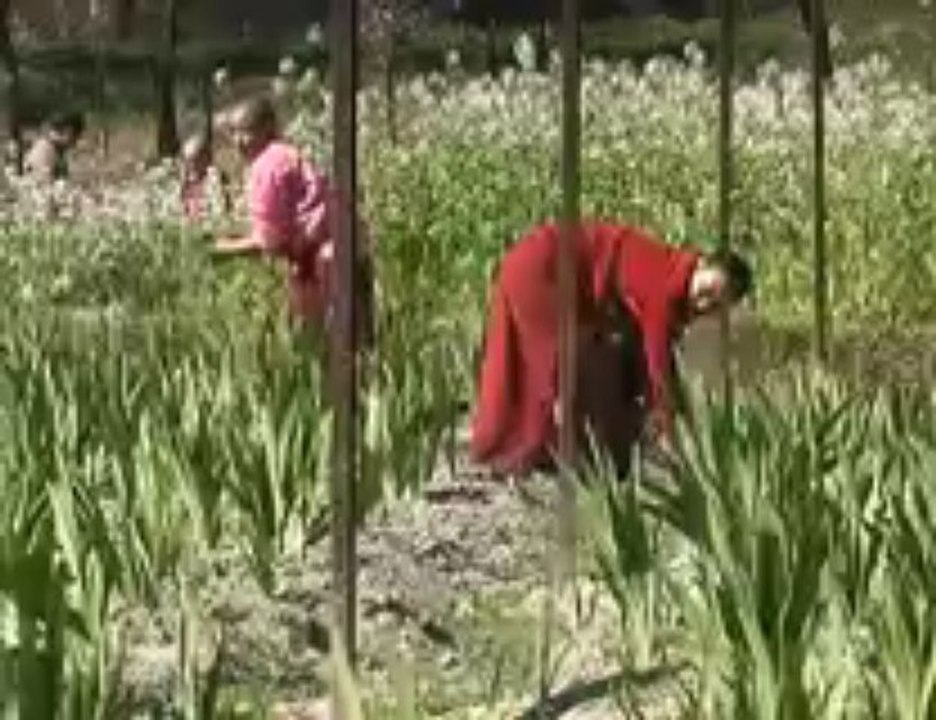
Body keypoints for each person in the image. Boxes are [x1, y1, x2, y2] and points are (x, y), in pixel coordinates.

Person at [470, 220, 753, 476]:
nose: (703, 304)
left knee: (554, 363)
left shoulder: (671, 275)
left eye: (714, 306)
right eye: (706, 292)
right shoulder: (666, 287)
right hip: (543, 270)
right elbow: (657, 366)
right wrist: (670, 430)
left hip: (545, 266)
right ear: (700, 264)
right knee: (548, 370)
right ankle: (521, 454)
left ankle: (538, 447)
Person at [214, 96, 373, 338]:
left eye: (246, 132)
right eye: (233, 133)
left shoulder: (266, 167)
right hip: (354, 251)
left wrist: (218, 250)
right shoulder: (290, 154)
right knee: (360, 349)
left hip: (324, 267)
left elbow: (270, 242)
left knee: (325, 352)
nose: (238, 141)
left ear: (268, 128)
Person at [180, 132, 231, 220]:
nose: (191, 165)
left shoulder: (216, 179)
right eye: (187, 161)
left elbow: (220, 211)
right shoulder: (183, 181)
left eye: (195, 160)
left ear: (207, 158)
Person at [24, 111, 85, 182]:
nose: (76, 141)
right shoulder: (45, 148)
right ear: (68, 131)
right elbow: (44, 180)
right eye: (76, 136)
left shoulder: (56, 148)